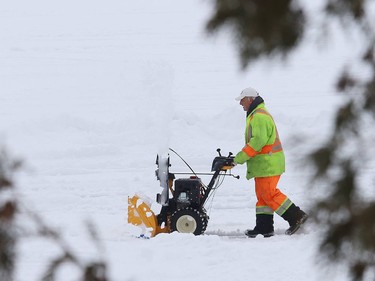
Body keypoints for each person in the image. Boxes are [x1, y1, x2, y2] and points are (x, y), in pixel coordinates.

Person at [233, 87, 308, 238]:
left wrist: (238, 159)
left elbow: (257, 142)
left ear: (251, 99)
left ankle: (297, 216)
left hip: (268, 163)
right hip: (264, 164)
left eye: (242, 99)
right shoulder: (255, 115)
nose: (240, 103)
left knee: (270, 194)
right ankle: (264, 227)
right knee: (262, 196)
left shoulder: (259, 116)